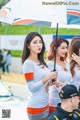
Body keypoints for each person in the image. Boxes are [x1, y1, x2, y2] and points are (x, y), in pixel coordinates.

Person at [22, 32, 57, 120]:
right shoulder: (28, 63)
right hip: (36, 107)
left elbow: (43, 84)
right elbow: (31, 88)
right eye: (35, 42)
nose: (39, 45)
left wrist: (51, 82)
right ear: (28, 46)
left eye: (40, 42)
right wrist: (47, 78)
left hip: (46, 105)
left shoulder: (41, 62)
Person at [46, 37, 72, 113]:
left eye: (66, 48)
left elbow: (70, 81)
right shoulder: (50, 64)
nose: (66, 50)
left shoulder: (66, 63)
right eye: (63, 48)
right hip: (55, 104)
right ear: (55, 48)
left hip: (69, 103)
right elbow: (55, 84)